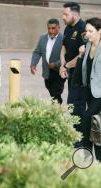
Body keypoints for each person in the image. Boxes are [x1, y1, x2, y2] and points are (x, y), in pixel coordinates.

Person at [59, 2, 86, 147]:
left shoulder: (83, 29)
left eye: (66, 14)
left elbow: (82, 55)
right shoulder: (68, 28)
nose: (63, 17)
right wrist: (63, 65)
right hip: (71, 73)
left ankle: (80, 140)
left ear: (75, 14)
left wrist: (66, 66)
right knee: (72, 105)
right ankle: (76, 136)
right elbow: (63, 47)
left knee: (77, 106)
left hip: (80, 75)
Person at [30, 18, 65, 104]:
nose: (50, 31)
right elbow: (37, 52)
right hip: (47, 70)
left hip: (59, 71)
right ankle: (57, 104)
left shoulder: (64, 39)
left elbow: (67, 56)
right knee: (50, 89)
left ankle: (57, 108)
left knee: (56, 92)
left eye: (53, 28)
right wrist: (33, 64)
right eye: (49, 28)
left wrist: (56, 64)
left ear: (58, 28)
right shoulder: (43, 38)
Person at [81, 17, 101, 161]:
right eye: (86, 31)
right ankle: (98, 158)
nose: (87, 34)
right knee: (96, 123)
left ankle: (87, 155)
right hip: (89, 90)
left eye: (91, 31)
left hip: (100, 93)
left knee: (87, 118)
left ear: (100, 31)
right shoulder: (88, 45)